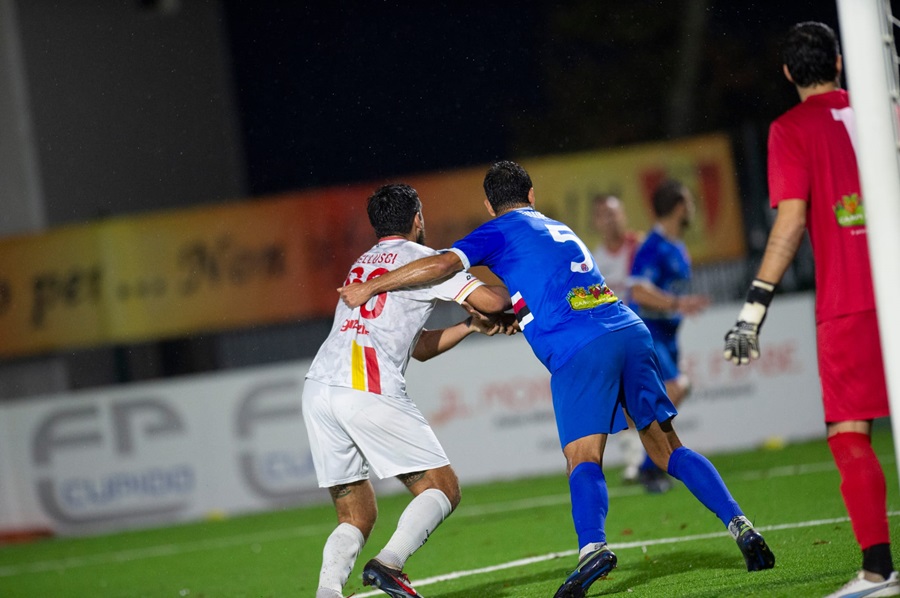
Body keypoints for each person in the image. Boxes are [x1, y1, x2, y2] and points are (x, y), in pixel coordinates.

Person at [341, 160, 775, 597]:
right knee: (668, 450)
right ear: (532, 195)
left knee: (582, 458)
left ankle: (592, 549)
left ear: (489, 205)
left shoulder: (498, 229)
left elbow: (441, 265)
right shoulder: (557, 227)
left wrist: (372, 286)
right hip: (628, 330)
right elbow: (551, 288)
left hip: (580, 347)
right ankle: (740, 524)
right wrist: (519, 311)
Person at [723, 21, 897, 598]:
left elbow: (791, 223)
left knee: (850, 433)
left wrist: (753, 310)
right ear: (840, 63)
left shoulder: (791, 129)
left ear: (788, 73)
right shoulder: (885, 111)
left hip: (851, 301)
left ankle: (878, 572)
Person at [304, 183, 514, 598]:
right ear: (418, 218)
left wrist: (469, 326)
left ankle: (327, 593)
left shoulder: (362, 265)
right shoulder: (425, 261)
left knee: (356, 515)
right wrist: (525, 289)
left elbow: (418, 348)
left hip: (319, 389)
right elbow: (492, 301)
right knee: (442, 487)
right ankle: (389, 563)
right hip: (366, 386)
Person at [628, 180, 710, 492]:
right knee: (677, 388)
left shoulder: (677, 245)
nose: (692, 208)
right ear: (678, 207)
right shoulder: (654, 246)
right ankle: (650, 465)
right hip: (649, 331)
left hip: (669, 333)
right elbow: (638, 291)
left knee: (666, 397)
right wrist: (677, 303)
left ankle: (651, 465)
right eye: (689, 201)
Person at [591, 194, 645, 484]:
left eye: (614, 213)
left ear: (623, 215)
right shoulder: (594, 261)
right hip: (616, 337)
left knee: (671, 389)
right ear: (597, 222)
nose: (611, 220)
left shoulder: (641, 247)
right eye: (604, 215)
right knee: (624, 400)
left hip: (649, 330)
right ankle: (636, 460)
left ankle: (649, 457)